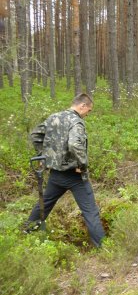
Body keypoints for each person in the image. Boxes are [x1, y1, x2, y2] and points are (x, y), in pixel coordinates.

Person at [25, 94, 105, 247]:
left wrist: (44, 156)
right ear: (82, 106)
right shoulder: (76, 122)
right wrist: (82, 166)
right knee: (90, 211)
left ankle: (26, 232)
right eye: (88, 110)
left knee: (44, 204)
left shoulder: (53, 117)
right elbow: (75, 144)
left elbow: (35, 135)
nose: (88, 114)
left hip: (56, 175)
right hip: (75, 176)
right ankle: (101, 246)